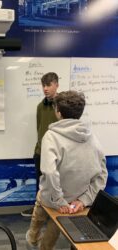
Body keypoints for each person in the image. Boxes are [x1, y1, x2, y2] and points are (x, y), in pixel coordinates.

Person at [26, 90, 108, 250]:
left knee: (40, 213)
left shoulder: (51, 136)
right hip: (75, 204)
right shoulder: (92, 137)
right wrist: (83, 200)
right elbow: (102, 174)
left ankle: (32, 239)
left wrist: (58, 200)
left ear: (58, 111)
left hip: (53, 199)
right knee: (56, 224)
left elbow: (49, 172)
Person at [21, 72, 59, 217]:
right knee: (40, 183)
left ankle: (54, 210)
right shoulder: (40, 106)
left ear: (56, 85)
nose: (45, 88)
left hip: (57, 153)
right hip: (40, 152)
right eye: (43, 85)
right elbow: (39, 128)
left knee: (56, 183)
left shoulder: (62, 105)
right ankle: (38, 209)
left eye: (49, 85)